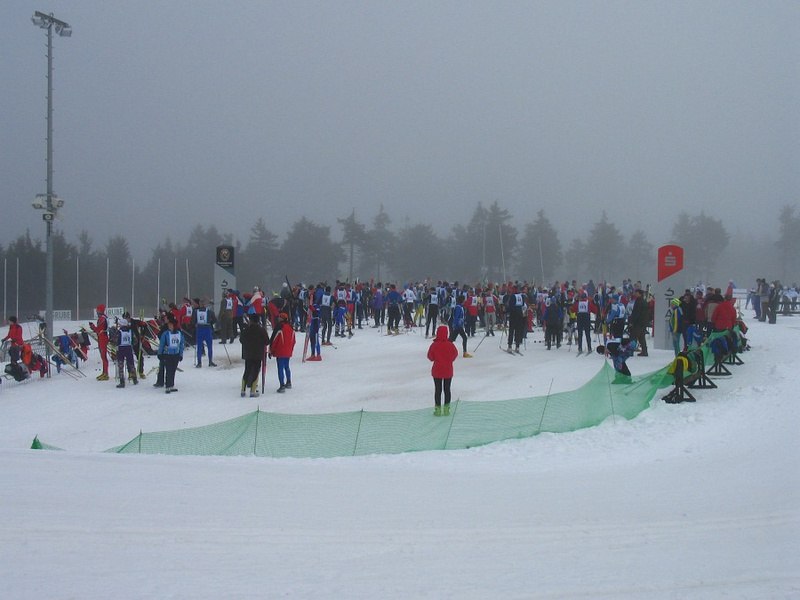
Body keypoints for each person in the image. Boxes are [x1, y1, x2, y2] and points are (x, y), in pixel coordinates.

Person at [427, 324, 459, 416]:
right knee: (447, 390)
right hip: (448, 371)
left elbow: (430, 357)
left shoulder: (434, 345)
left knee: (438, 390)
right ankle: (446, 409)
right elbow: (455, 354)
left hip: (437, 371)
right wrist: (449, 360)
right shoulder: (450, 345)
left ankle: (437, 410)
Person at [239, 313, 270, 398]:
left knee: (247, 371)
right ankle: (252, 391)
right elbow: (267, 341)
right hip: (258, 354)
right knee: (256, 372)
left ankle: (243, 390)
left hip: (248, 354)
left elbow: (241, 340)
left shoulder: (246, 330)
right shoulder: (261, 330)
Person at [269, 312, 296, 393]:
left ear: (281, 318)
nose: (278, 318)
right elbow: (294, 341)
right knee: (287, 366)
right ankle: (289, 382)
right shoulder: (291, 327)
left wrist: (271, 350)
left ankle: (282, 385)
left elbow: (274, 340)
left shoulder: (279, 327)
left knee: (280, 368)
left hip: (280, 351)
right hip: (288, 351)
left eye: (279, 317)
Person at [158, 316, 184, 394]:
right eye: (169, 324)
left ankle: (171, 385)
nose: (169, 326)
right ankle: (168, 386)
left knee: (173, 370)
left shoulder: (179, 333)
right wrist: (160, 353)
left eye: (170, 324)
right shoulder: (165, 334)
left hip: (176, 354)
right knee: (168, 370)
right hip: (167, 354)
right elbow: (161, 344)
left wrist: (181, 354)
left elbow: (181, 344)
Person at [192, 298, 217, 367]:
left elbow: (193, 321)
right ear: (205, 304)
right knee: (209, 346)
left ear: (199, 304)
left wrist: (196, 324)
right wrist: (210, 322)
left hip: (199, 329)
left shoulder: (195, 312)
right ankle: (210, 361)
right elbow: (215, 320)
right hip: (207, 329)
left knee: (199, 347)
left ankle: (199, 363)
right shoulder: (210, 311)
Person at [89, 304, 110, 381]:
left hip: (102, 338)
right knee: (103, 356)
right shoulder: (104, 317)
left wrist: (92, 326)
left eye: (97, 310)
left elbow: (97, 329)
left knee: (103, 356)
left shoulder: (102, 319)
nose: (96, 312)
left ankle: (106, 374)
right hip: (102, 337)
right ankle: (104, 372)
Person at [115, 318, 137, 388]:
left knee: (121, 365)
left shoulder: (119, 332)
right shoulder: (130, 331)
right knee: (131, 363)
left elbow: (116, 340)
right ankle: (134, 378)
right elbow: (135, 341)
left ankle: (122, 382)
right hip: (129, 348)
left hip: (121, 349)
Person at [627, 288, 649, 357]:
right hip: (643, 323)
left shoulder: (639, 301)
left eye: (636, 293)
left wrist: (632, 321)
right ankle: (644, 351)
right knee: (641, 337)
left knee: (633, 337)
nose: (635, 294)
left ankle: (631, 351)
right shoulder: (644, 301)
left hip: (638, 323)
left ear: (640, 294)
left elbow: (636, 313)